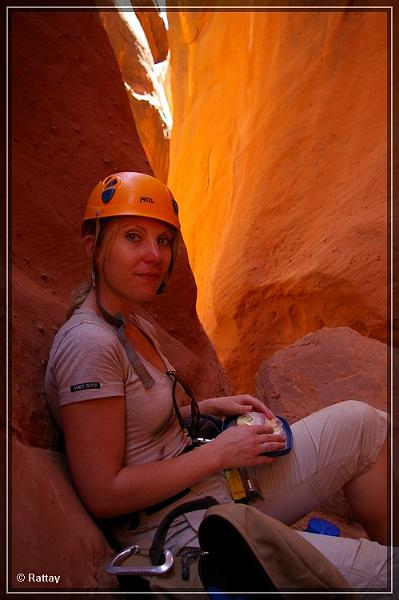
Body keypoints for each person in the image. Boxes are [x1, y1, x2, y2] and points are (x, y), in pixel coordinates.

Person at [45, 171, 390, 592]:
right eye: (133, 237)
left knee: (366, 425)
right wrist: (219, 454)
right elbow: (103, 492)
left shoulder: (132, 322)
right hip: (188, 533)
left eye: (163, 241)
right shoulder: (89, 345)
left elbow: (130, 423)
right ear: (93, 246)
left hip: (213, 492)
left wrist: (208, 409)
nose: (154, 254)